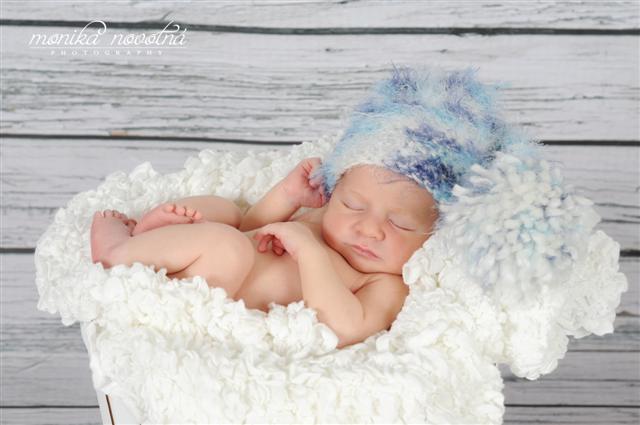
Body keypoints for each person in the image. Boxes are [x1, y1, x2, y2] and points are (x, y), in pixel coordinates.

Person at [91, 65, 519, 348]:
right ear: (334, 191)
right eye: (352, 204)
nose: (369, 229)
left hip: (215, 284)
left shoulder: (383, 284)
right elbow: (252, 228)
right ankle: (144, 241)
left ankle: (121, 250)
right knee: (224, 212)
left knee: (228, 246)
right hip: (214, 255)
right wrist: (286, 198)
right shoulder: (320, 221)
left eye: (400, 224)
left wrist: (310, 253)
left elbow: (346, 328)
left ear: (434, 233)